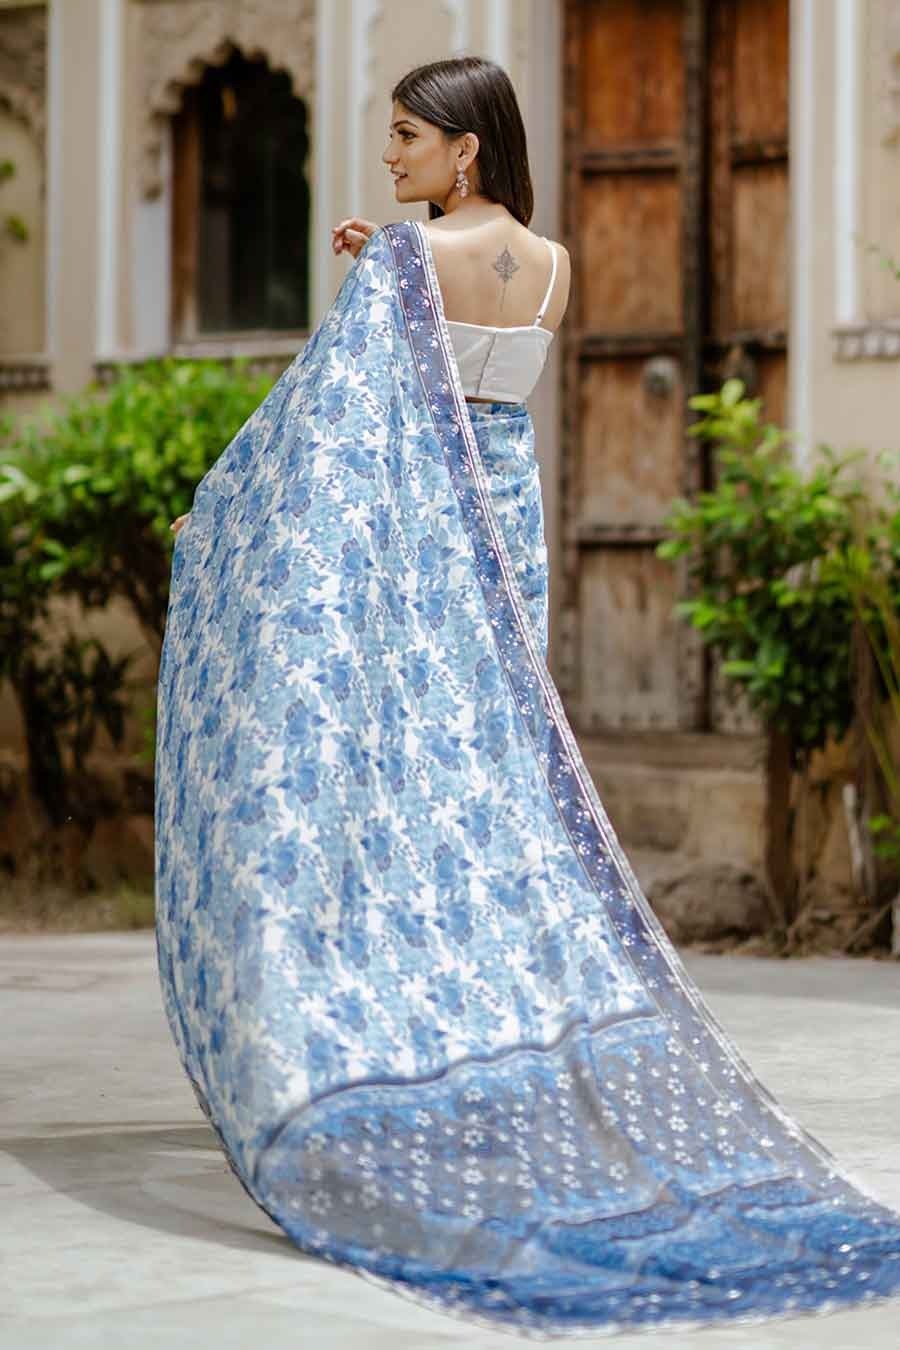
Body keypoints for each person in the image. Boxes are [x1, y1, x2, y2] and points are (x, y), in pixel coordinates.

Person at [156, 57, 900, 1337]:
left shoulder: (405, 262)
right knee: (494, 765)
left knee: (405, 771)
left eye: (407, 136)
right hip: (504, 522)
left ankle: (402, 1018)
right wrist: (388, 261)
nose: (390, 157)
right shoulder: (553, 262)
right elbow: (474, 373)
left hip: (421, 532)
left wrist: (221, 509)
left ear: (466, 149)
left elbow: (330, 412)